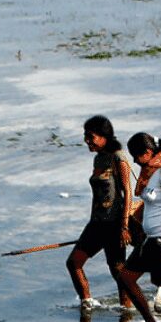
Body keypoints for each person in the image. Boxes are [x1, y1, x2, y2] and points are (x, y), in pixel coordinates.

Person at [66, 115, 135, 310]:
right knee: (74, 263)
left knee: (117, 270)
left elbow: (127, 192)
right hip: (96, 223)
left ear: (104, 136)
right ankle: (86, 304)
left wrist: (124, 227)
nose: (87, 141)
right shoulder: (99, 159)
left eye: (91, 136)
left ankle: (127, 310)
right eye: (85, 136)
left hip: (114, 223)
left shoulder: (118, 158)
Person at [118, 132, 161, 322]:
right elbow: (148, 204)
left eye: (137, 156)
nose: (135, 161)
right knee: (126, 277)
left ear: (147, 152)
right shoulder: (149, 171)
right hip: (151, 240)